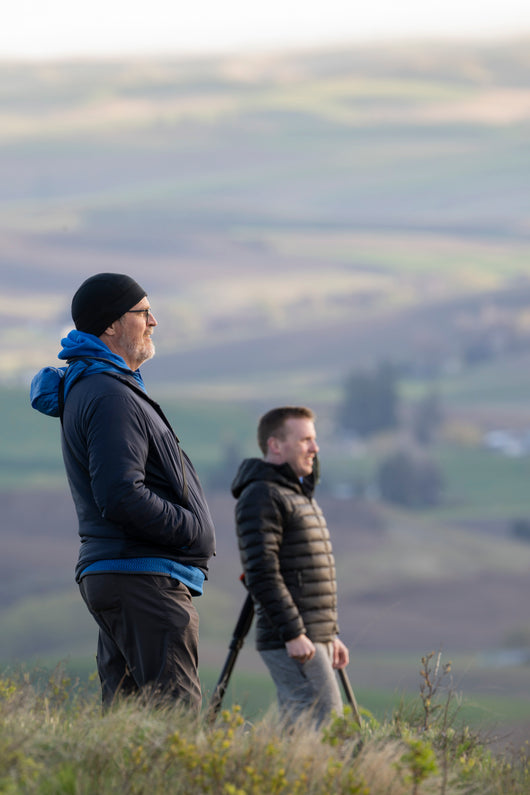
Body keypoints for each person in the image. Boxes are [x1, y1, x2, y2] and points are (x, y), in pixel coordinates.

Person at [30, 273, 216, 712]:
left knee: (128, 721)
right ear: (112, 324)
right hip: (142, 578)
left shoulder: (103, 386)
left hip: (125, 575)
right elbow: (119, 494)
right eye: (143, 312)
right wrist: (192, 530)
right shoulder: (110, 394)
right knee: (175, 722)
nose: (153, 321)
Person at [231, 406, 349, 727]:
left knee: (306, 724)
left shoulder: (295, 494)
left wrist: (329, 634)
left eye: (314, 439)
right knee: (322, 721)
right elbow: (261, 572)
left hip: (312, 635)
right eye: (305, 440)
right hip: (294, 637)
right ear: (276, 445)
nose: (315, 448)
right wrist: (293, 632)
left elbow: (307, 575)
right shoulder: (261, 496)